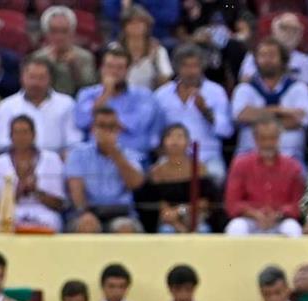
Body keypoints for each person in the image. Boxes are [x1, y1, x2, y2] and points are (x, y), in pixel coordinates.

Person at [152, 45, 231, 184]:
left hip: (207, 156)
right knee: (155, 177)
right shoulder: (161, 95)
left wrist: (205, 111)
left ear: (202, 67)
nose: (191, 71)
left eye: (195, 66)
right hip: (172, 157)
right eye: (186, 66)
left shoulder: (216, 91)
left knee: (216, 176)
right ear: (177, 68)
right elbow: (154, 132)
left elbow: (226, 131)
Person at [232, 37, 308, 165]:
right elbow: (242, 115)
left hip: (290, 158)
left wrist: (258, 118)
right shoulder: (245, 89)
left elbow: (299, 119)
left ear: (283, 59)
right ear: (256, 59)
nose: (267, 60)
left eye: (272, 55)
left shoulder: (299, 88)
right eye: (263, 55)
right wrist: (280, 111)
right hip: (248, 157)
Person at [65, 105, 145, 233]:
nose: (107, 131)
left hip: (121, 213)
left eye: (112, 127)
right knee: (87, 225)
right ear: (93, 128)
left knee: (125, 228)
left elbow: (135, 183)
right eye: (102, 126)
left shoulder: (130, 154)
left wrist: (114, 153)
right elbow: (76, 189)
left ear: (118, 129)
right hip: (87, 211)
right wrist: (84, 212)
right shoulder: (78, 153)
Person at [75, 46, 161, 159]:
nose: (114, 72)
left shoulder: (144, 96)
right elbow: (81, 122)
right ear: (102, 69)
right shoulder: (86, 94)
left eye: (120, 68)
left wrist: (99, 123)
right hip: (95, 158)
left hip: (133, 157)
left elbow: (139, 125)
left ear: (128, 70)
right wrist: (105, 95)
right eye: (110, 67)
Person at [224, 117, 305, 237]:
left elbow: (298, 204)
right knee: (236, 228)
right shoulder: (240, 164)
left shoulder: (293, 166)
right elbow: (232, 203)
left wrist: (279, 214)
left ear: (279, 138)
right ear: (255, 139)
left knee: (293, 229)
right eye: (263, 139)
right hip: (250, 219)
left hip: (280, 220)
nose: (268, 144)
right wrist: (254, 214)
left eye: (272, 138)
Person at [0, 114, 66, 233]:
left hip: (43, 213)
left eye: (25, 132)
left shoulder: (51, 159)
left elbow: (60, 205)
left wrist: (36, 191)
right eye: (16, 133)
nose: (21, 137)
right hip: (10, 213)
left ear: (34, 135)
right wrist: (16, 193)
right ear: (10, 136)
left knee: (52, 222)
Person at [135, 122, 217, 233]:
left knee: (203, 230)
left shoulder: (199, 168)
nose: (175, 140)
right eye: (170, 136)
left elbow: (204, 202)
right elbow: (161, 207)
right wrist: (178, 225)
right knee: (166, 231)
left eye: (179, 136)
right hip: (168, 221)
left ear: (188, 142)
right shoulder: (156, 172)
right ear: (163, 142)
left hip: (195, 217)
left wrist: (180, 210)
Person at [0, 56, 81, 158]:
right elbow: (1, 143)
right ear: (22, 77)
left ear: (50, 79)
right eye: (31, 77)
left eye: (41, 78)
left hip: (58, 163)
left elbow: (74, 141)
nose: (35, 83)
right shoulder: (6, 106)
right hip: (17, 162)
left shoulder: (67, 104)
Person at [31, 6, 97, 97]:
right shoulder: (37, 58)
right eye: (54, 31)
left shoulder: (85, 57)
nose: (59, 37)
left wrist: (74, 67)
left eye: (64, 31)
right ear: (46, 33)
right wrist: (50, 65)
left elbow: (90, 88)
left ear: (72, 32)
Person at [238, 12, 308, 89]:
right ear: (274, 30)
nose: (289, 33)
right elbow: (245, 80)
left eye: (294, 30)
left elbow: (306, 89)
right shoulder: (254, 55)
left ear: (300, 35)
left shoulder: (306, 61)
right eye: (284, 28)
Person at [118, 6, 171, 92]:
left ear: (147, 26)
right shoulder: (115, 48)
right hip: (121, 95)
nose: (136, 26)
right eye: (131, 23)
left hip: (149, 97)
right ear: (124, 27)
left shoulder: (158, 50)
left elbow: (166, 76)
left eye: (140, 22)